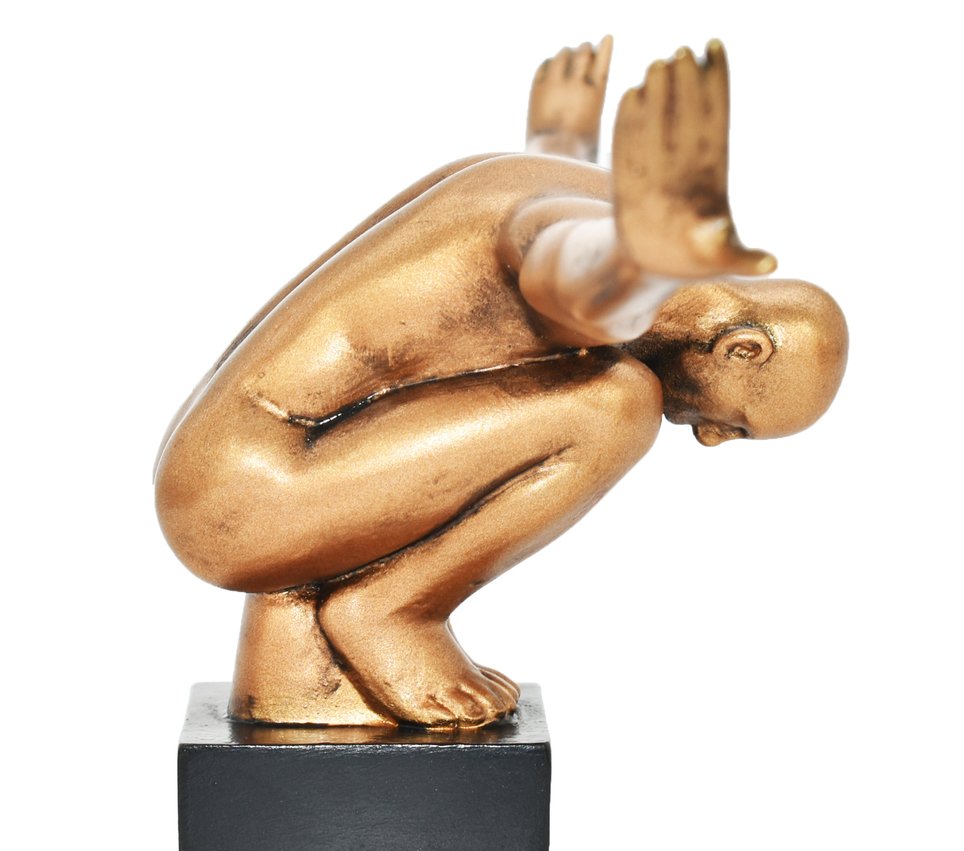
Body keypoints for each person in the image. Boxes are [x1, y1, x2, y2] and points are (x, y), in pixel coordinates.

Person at [155, 39, 848, 728]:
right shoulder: (594, 255)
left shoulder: (589, 202)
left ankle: (352, 630)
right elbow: (549, 262)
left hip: (249, 467)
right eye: (737, 425)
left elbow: (518, 223)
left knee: (595, 384)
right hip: (251, 489)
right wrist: (629, 269)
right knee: (617, 403)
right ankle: (392, 610)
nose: (711, 438)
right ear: (743, 349)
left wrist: (562, 139)